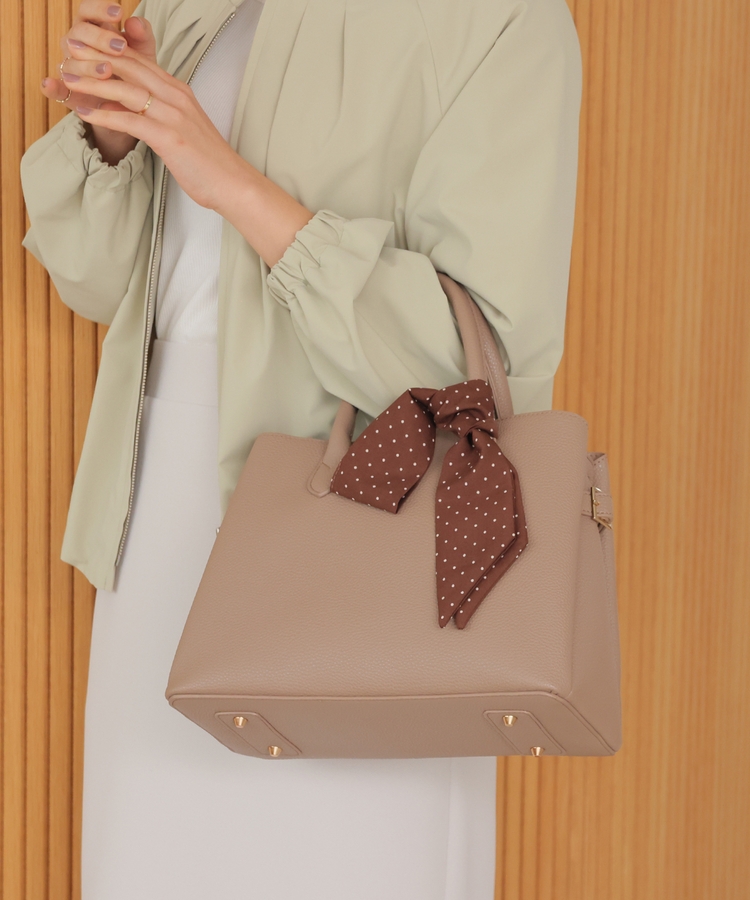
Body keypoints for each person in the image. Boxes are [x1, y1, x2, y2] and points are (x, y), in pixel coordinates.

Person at [20, 0, 582, 896]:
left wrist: (233, 183)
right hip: (158, 503)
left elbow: (477, 375)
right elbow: (97, 283)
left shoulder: (502, 20)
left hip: (363, 526)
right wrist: (115, 131)